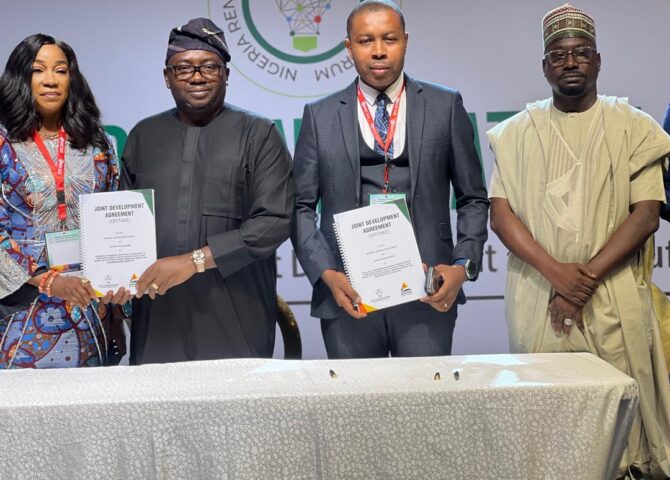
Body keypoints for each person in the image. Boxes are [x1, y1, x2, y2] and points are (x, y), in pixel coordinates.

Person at [487, 4, 670, 477]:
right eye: (559, 54)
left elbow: (646, 215)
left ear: (599, 61)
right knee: (549, 417)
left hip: (613, 296)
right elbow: (501, 215)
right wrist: (557, 275)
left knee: (623, 422)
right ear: (544, 66)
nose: (571, 62)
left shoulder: (635, 126)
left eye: (582, 53)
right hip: (538, 296)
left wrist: (579, 284)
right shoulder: (516, 133)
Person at [291, 0, 488, 359]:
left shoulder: (445, 106)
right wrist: (326, 274)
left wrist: (463, 266)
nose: (379, 51)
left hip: (427, 289)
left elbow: (473, 198)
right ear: (348, 46)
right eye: (366, 40)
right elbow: (300, 207)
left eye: (389, 39)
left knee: (424, 395)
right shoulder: (319, 116)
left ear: (406, 41)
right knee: (356, 396)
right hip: (347, 293)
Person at [121, 18, 294, 364]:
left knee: (237, 399)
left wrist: (193, 262)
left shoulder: (259, 134)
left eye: (209, 67)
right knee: (156, 398)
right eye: (183, 68)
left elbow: (274, 221)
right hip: (157, 319)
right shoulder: (143, 136)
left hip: (236, 316)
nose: (197, 76)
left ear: (226, 74)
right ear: (167, 77)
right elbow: (122, 227)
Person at [0, 34, 128, 368]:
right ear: (20, 77)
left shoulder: (98, 144)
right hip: (17, 311)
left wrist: (116, 307)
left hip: (88, 307)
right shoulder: (3, 144)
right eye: (38, 70)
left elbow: (113, 222)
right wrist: (47, 281)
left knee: (86, 399)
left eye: (60, 70)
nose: (51, 80)